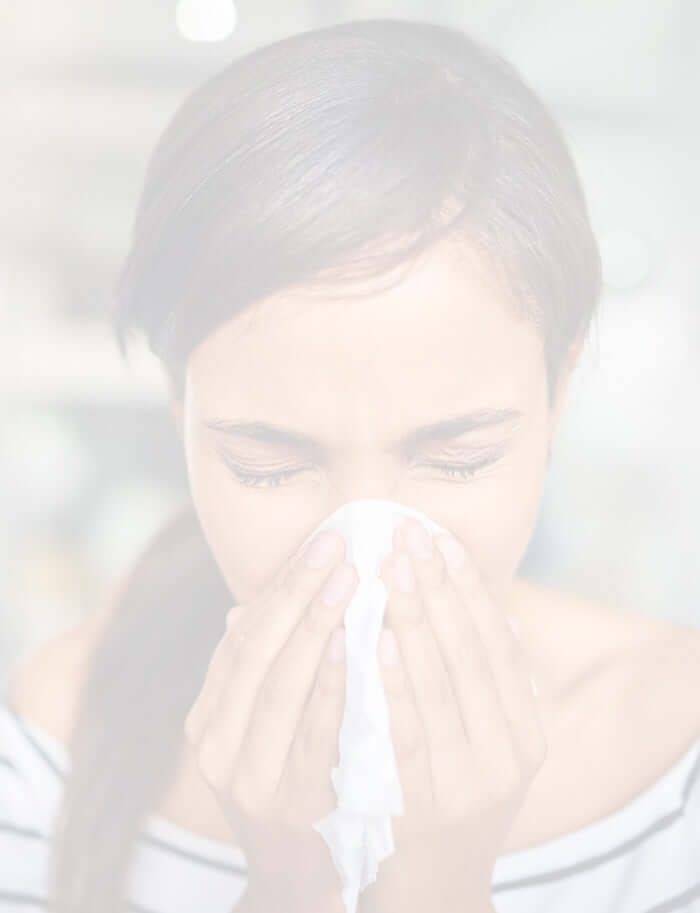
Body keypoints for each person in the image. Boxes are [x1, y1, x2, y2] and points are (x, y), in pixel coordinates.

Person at [2, 16, 700, 913]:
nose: (365, 552)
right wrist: (291, 889)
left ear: (558, 395)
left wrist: (440, 889)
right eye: (266, 466)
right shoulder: (60, 740)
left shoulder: (676, 755)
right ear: (183, 413)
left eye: (458, 457)